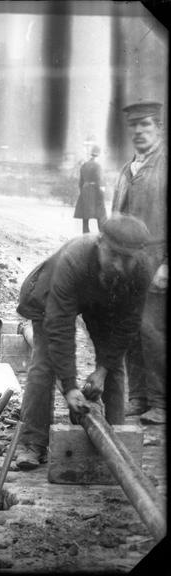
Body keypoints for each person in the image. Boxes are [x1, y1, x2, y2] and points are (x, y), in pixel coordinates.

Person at [13, 215, 152, 470]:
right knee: (45, 365)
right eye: (114, 256)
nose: (120, 265)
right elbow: (59, 327)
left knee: (114, 365)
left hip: (102, 299)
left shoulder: (140, 269)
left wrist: (102, 370)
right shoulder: (74, 260)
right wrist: (69, 387)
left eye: (128, 259)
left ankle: (116, 439)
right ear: (100, 244)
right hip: (52, 294)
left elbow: (128, 325)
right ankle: (32, 443)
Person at [111, 100, 168, 424]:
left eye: (145, 125)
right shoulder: (128, 168)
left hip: (156, 258)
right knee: (130, 328)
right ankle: (138, 397)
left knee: (152, 330)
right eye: (134, 126)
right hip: (128, 261)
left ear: (158, 128)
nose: (138, 131)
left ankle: (160, 402)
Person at [73, 145, 107, 233]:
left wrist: (83, 191)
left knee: (85, 217)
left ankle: (85, 237)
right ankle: (103, 237)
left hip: (85, 191)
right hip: (95, 192)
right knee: (100, 216)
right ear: (98, 155)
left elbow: (80, 182)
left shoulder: (84, 165)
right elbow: (99, 181)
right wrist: (102, 195)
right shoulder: (97, 166)